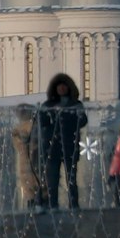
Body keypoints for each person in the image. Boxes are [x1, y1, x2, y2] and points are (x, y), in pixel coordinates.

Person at [37, 73, 88, 208]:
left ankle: (74, 205)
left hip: (69, 146)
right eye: (59, 86)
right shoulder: (48, 105)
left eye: (64, 86)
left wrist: (67, 119)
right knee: (52, 180)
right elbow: (41, 122)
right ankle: (53, 205)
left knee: (71, 179)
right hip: (52, 148)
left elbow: (83, 121)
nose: (62, 88)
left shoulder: (75, 104)